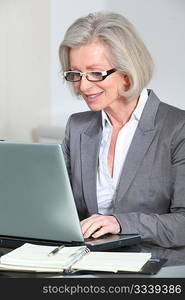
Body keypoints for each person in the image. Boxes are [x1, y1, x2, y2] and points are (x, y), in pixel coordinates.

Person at [59, 11, 185, 248]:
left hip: (156, 268)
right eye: (76, 74)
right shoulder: (77, 127)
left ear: (127, 73)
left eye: (96, 73)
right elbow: (61, 208)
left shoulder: (177, 128)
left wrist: (120, 223)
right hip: (88, 265)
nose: (83, 86)